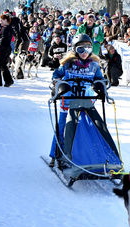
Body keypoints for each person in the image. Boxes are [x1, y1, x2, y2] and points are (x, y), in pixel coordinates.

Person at [48, 34, 104, 167]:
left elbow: (100, 79)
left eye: (88, 49)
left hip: (86, 101)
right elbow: (56, 75)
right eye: (81, 49)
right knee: (63, 127)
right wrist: (57, 84)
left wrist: (100, 87)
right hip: (67, 100)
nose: (85, 53)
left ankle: (87, 156)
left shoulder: (94, 65)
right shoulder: (68, 64)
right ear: (74, 50)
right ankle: (56, 154)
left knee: (87, 127)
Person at [0, 14, 14, 87]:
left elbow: (3, 40)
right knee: (3, 64)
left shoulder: (5, 28)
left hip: (3, 48)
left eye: (1, 20)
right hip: (6, 48)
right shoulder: (8, 27)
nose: (0, 22)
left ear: (5, 20)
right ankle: (8, 80)